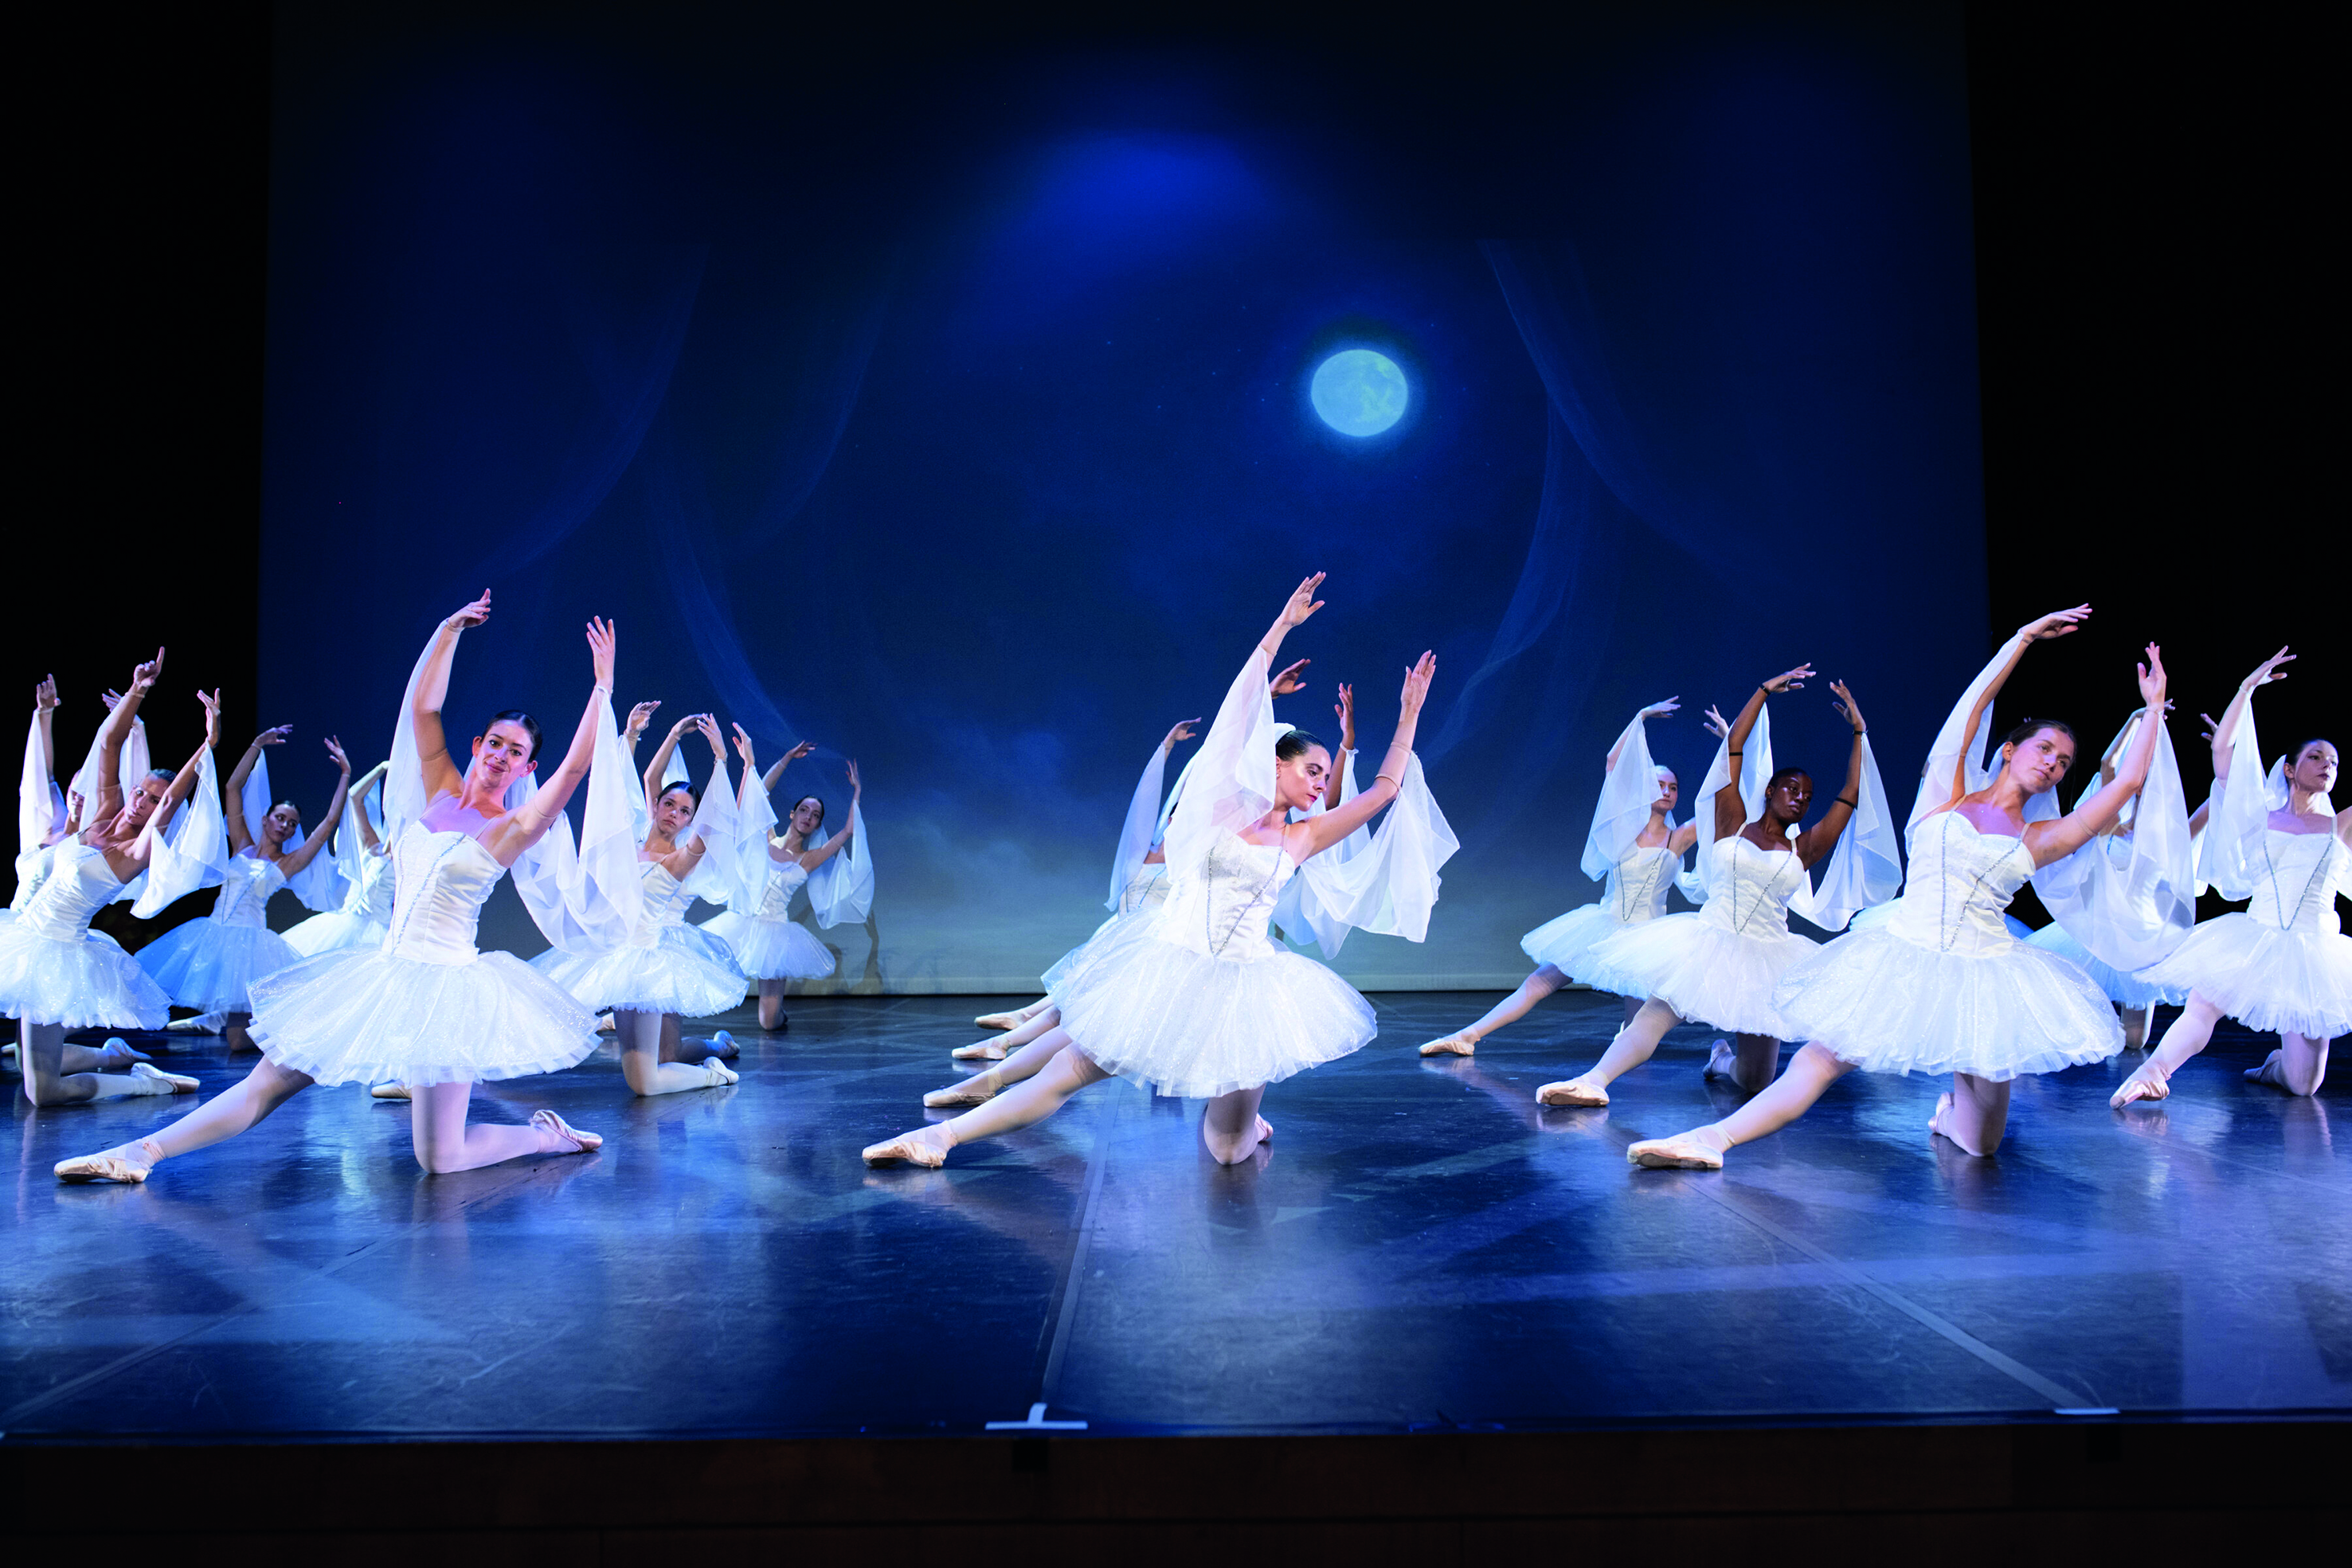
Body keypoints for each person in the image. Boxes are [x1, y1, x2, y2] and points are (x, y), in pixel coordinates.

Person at [863, 573, 1452, 1168]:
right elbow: (1234, 716)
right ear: (1275, 764)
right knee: (1067, 1071)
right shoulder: (1220, 807)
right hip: (1168, 967)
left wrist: (1408, 714)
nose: (1322, 783)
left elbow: (1381, 791)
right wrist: (1279, 627)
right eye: (1314, 770)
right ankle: (939, 1137)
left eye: (1326, 775)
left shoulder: (1303, 837)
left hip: (1247, 990)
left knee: (1227, 1152)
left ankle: (1242, 1121)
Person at [55, 592, 611, 1182]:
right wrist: (448, 630)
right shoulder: (441, 786)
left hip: (450, 987)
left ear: (527, 769)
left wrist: (601, 687)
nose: (501, 755)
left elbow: (574, 769)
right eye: (495, 742)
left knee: (440, 1158)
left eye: (516, 752)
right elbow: (423, 711)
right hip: (383, 971)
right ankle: (143, 1152)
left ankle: (544, 1137)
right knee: (264, 1084)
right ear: (478, 746)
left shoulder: (513, 828)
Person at [1626, 608, 2182, 1169]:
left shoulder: (2041, 837)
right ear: (2010, 749)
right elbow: (1971, 710)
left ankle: (1946, 1119)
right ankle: (1709, 1139)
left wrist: (2153, 708)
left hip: (1984, 971)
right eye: (2044, 749)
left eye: (2063, 762)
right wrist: (2022, 640)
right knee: (1818, 1060)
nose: (2053, 765)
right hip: (1902, 952)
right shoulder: (1949, 791)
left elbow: (2129, 781)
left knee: (1982, 1141)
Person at [1535, 664, 1896, 1106]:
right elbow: (1734, 750)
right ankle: (1592, 1080)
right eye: (1791, 789)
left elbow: (1849, 797)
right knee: (1654, 1016)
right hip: (1709, 939)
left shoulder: (1804, 850)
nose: (1800, 798)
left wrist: (1859, 734)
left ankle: (1720, 1061)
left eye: (1806, 795)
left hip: (1769, 955)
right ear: (1769, 791)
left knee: (1756, 1080)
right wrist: (1763, 691)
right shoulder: (1733, 822)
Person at [2114, 647, 2347, 1104]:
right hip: (2254, 934)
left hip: (2314, 948)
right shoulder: (2257, 815)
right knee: (2204, 1005)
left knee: (2304, 1085)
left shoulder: (2342, 825)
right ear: (2289, 768)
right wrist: (2247, 689)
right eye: (2317, 757)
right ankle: (2152, 1073)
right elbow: (2223, 751)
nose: (2327, 766)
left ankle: (2275, 1067)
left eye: (2335, 762)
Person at [1418, 698, 1700, 1057]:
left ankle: (1639, 1060)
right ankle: (1468, 1035)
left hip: (1646, 938)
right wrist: (1639, 717)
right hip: (1606, 924)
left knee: (1638, 1023)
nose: (1666, 792)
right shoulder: (1622, 829)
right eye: (1659, 784)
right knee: (1539, 983)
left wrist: (1730, 744)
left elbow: (1721, 803)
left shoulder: (1680, 837)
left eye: (1673, 787)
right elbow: (1614, 764)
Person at [0, 650, 212, 1105]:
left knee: (44, 1092)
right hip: (24, 935)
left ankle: (148, 1083)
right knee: (26, 1063)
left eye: (153, 801)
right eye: (141, 791)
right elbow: (109, 743)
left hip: (54, 952)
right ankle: (114, 1055)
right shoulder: (99, 817)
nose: (141, 801)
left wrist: (207, 747)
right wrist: (138, 689)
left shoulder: (135, 852)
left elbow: (174, 801)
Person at [534, 710, 748, 1094]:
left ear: (690, 821)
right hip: (616, 954)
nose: (675, 814)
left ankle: (716, 1065)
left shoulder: (678, 860)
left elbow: (715, 823)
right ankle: (713, 1049)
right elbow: (637, 782)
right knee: (662, 1060)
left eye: (685, 812)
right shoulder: (629, 843)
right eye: (669, 804)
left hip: (650, 960)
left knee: (658, 1068)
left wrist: (722, 761)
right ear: (657, 805)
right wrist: (641, 735)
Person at [135, 725, 351, 1050]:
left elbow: (327, 826)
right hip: (214, 934)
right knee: (227, 1031)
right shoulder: (242, 845)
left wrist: (345, 774)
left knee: (237, 1042)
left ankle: (295, 1037)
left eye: (292, 823)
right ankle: (223, 1021)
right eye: (280, 817)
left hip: (251, 944)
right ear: (265, 819)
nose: (286, 825)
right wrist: (255, 744)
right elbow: (233, 787)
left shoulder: (287, 864)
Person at [699, 731, 866, 1032]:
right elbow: (759, 792)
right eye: (804, 810)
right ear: (792, 813)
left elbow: (847, 832)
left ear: (817, 825)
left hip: (775, 935)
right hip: (742, 923)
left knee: (769, 1023)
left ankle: (780, 1015)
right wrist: (787, 759)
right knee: (703, 962)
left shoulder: (810, 858)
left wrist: (856, 792)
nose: (808, 817)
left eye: (815, 815)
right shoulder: (766, 837)